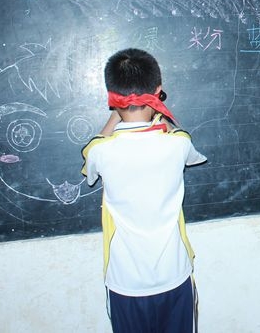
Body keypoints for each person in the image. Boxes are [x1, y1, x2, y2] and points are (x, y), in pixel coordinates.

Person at [81, 48, 207, 333]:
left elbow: (91, 159)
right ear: (158, 92)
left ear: (112, 97)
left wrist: (116, 116)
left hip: (125, 282)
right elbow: (178, 136)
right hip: (174, 274)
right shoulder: (178, 145)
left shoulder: (101, 152)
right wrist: (157, 114)